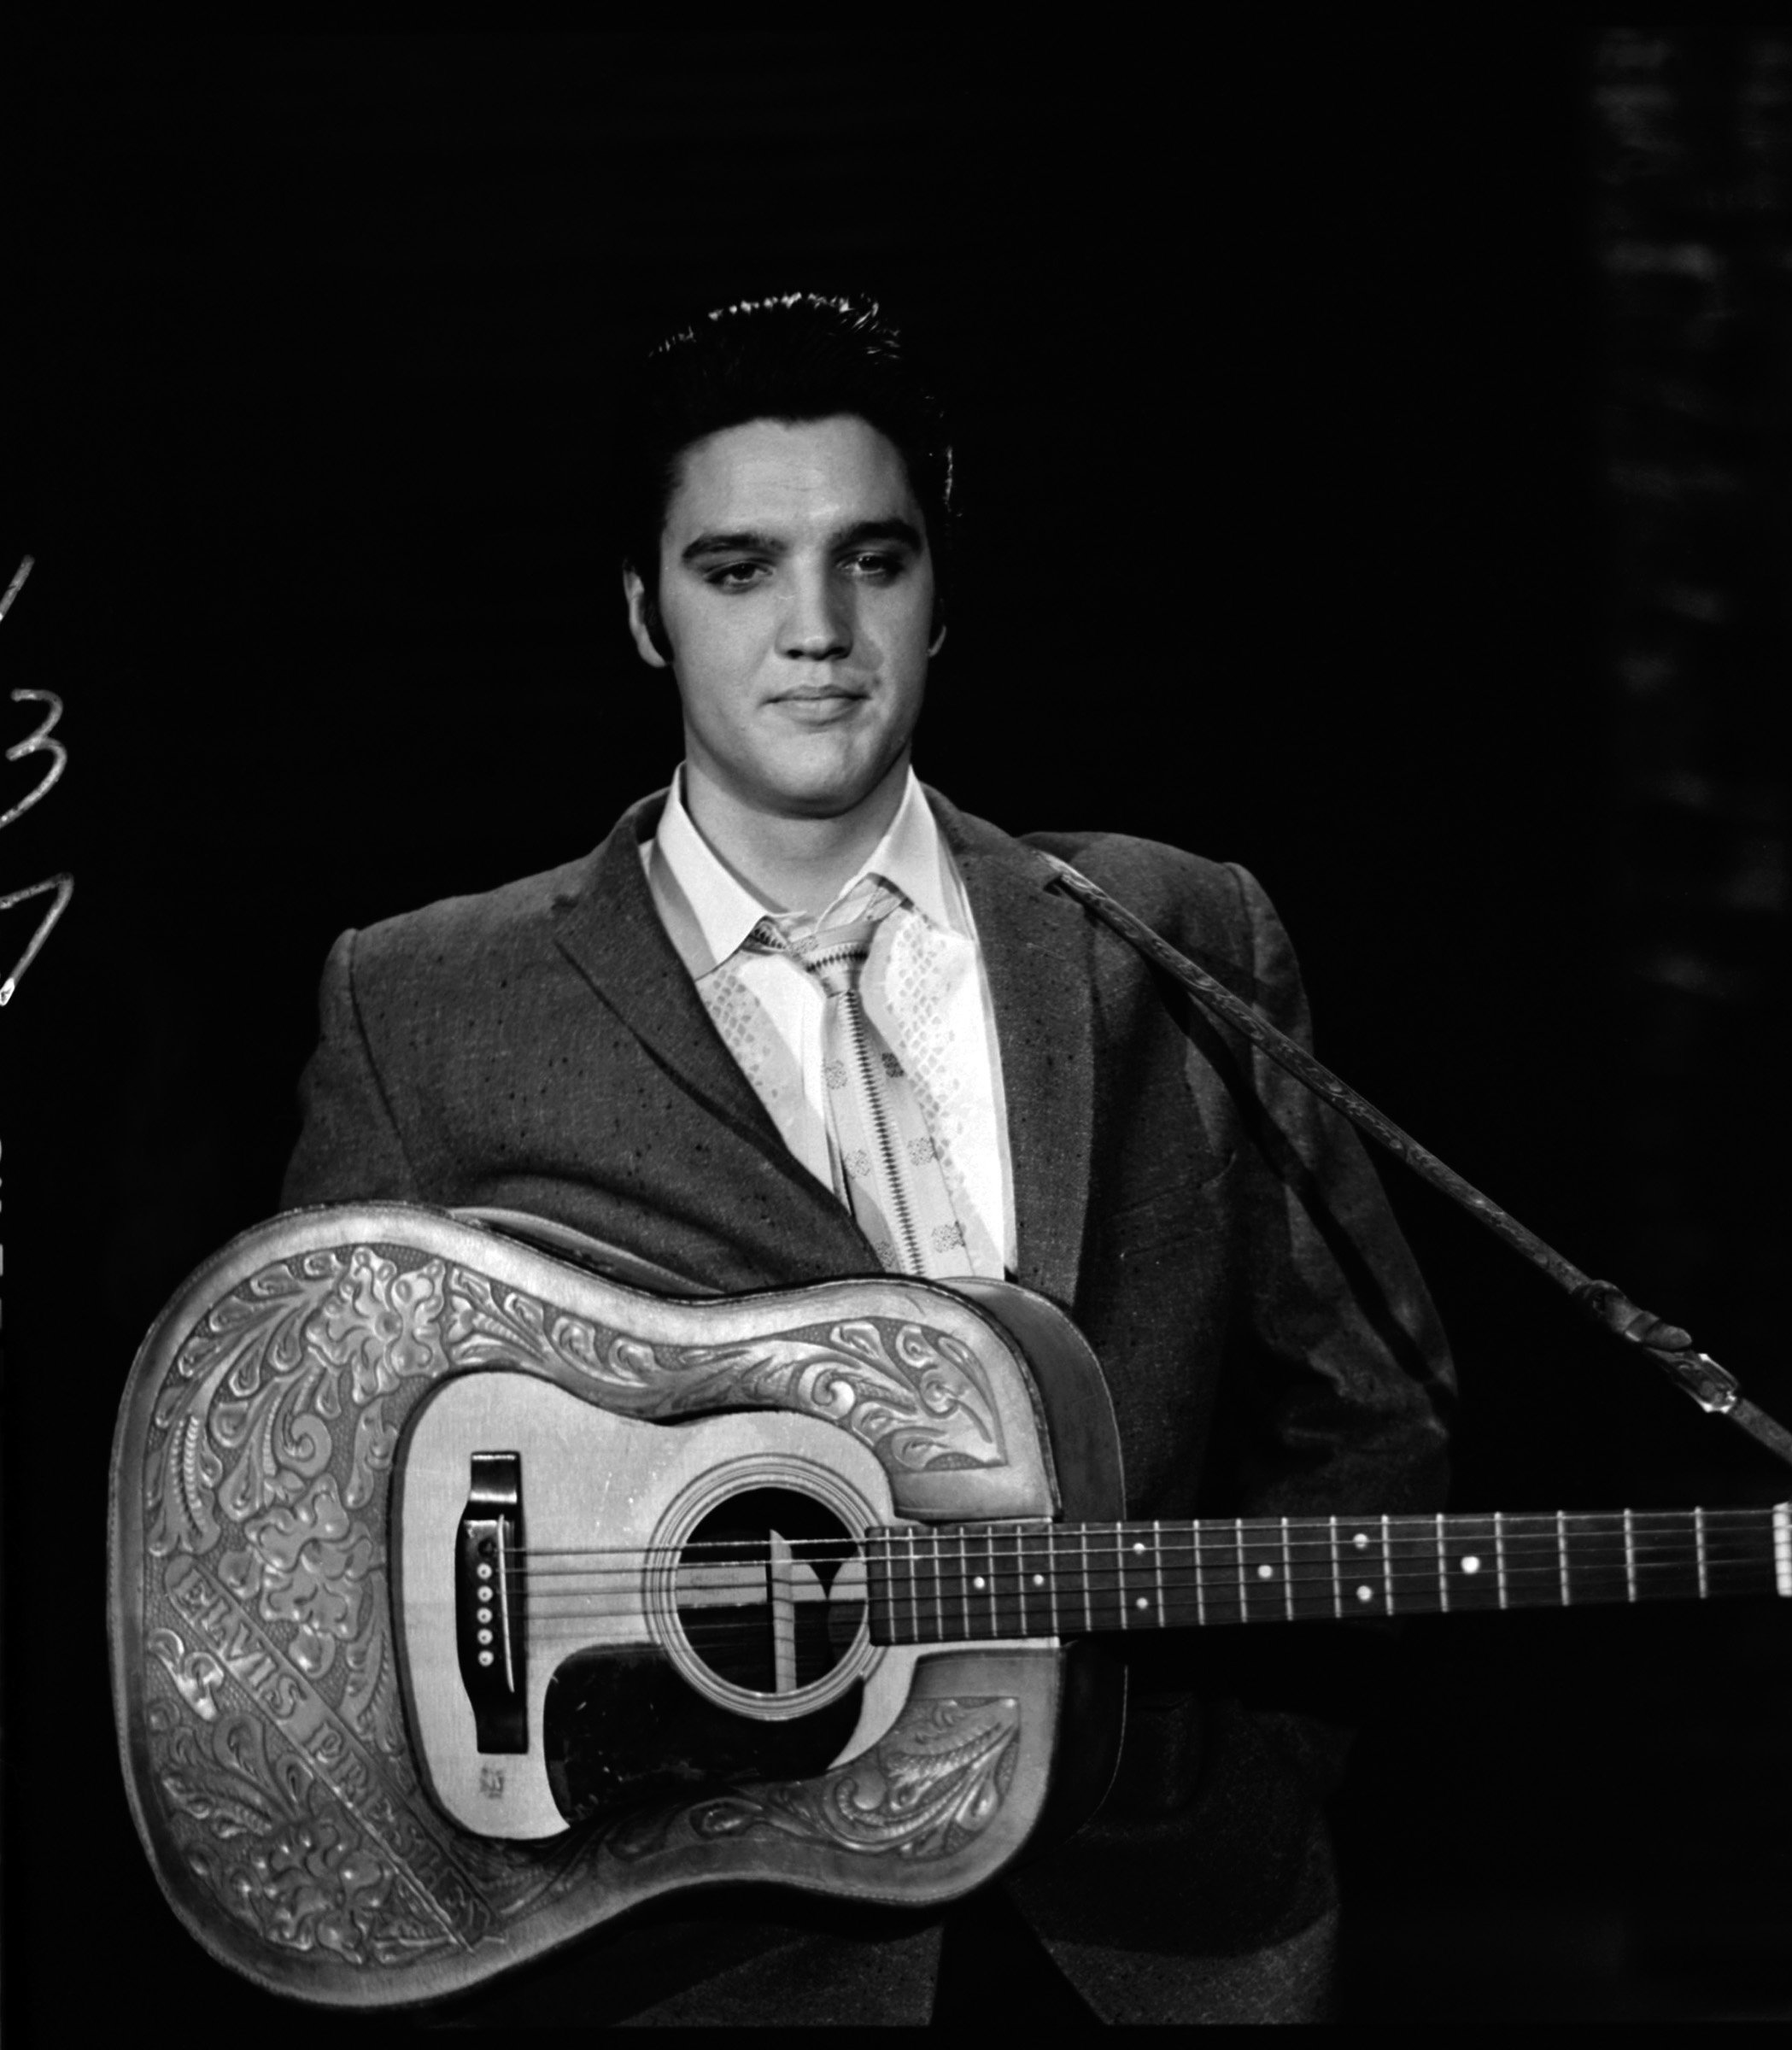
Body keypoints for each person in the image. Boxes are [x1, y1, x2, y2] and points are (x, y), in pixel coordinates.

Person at [283, 291, 1455, 2024]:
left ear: (939, 593)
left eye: (873, 561)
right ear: (643, 611)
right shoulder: (428, 1006)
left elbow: (1374, 1418)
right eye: (739, 569)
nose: (818, 630)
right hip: (694, 1966)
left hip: (1152, 1936)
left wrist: (1224, 1766)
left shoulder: (1171, 937)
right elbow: (304, 1510)